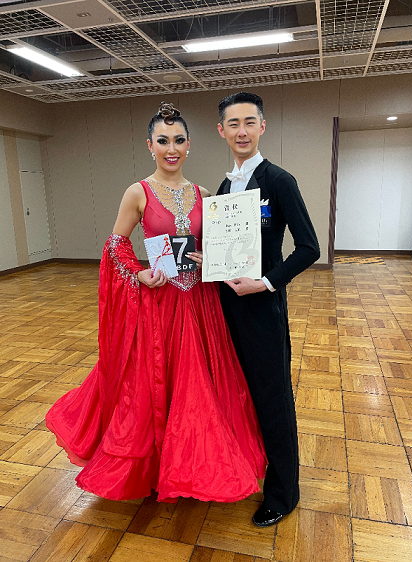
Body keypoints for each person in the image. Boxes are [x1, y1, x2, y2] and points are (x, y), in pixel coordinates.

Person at [46, 102, 267, 503]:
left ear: (189, 145)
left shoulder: (203, 194)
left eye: (179, 140)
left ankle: (195, 467)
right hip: (160, 304)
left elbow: (220, 248)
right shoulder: (138, 192)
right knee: (154, 385)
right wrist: (139, 273)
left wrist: (212, 260)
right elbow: (116, 245)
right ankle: (154, 468)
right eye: (163, 141)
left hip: (200, 305)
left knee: (200, 388)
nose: (172, 148)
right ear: (150, 145)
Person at [216, 92, 320, 526]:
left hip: (262, 309)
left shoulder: (279, 181)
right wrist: (207, 261)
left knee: (273, 399)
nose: (241, 131)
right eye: (233, 124)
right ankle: (247, 469)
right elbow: (226, 248)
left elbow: (309, 247)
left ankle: (283, 493)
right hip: (226, 308)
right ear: (221, 131)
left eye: (249, 122)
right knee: (239, 394)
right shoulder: (225, 187)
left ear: (262, 126)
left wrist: (265, 282)